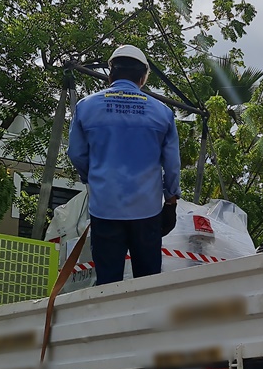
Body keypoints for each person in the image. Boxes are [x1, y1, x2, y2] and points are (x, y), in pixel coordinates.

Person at [67, 44, 181, 285]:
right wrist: (170, 202)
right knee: (148, 284)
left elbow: (76, 154)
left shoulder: (86, 107)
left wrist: (94, 178)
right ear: (143, 78)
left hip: (104, 209)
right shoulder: (162, 113)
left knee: (108, 284)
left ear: (111, 75)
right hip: (147, 212)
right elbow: (172, 165)